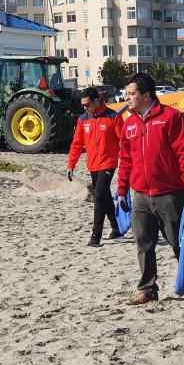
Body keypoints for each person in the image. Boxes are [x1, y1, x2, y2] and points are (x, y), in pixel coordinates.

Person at [116, 72, 184, 305]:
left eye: (131, 94)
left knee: (178, 242)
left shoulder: (171, 117)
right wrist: (121, 190)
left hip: (169, 193)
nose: (126, 98)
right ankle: (148, 290)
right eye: (126, 94)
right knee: (143, 243)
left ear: (146, 95)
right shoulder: (129, 123)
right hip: (141, 196)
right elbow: (126, 159)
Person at [67, 86, 124, 247]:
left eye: (87, 105)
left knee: (98, 195)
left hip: (108, 163)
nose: (85, 108)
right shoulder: (82, 119)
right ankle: (116, 228)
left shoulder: (113, 117)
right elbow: (77, 144)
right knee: (104, 196)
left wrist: (129, 164)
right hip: (92, 165)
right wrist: (71, 165)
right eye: (83, 105)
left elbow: (125, 142)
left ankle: (96, 236)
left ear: (97, 100)